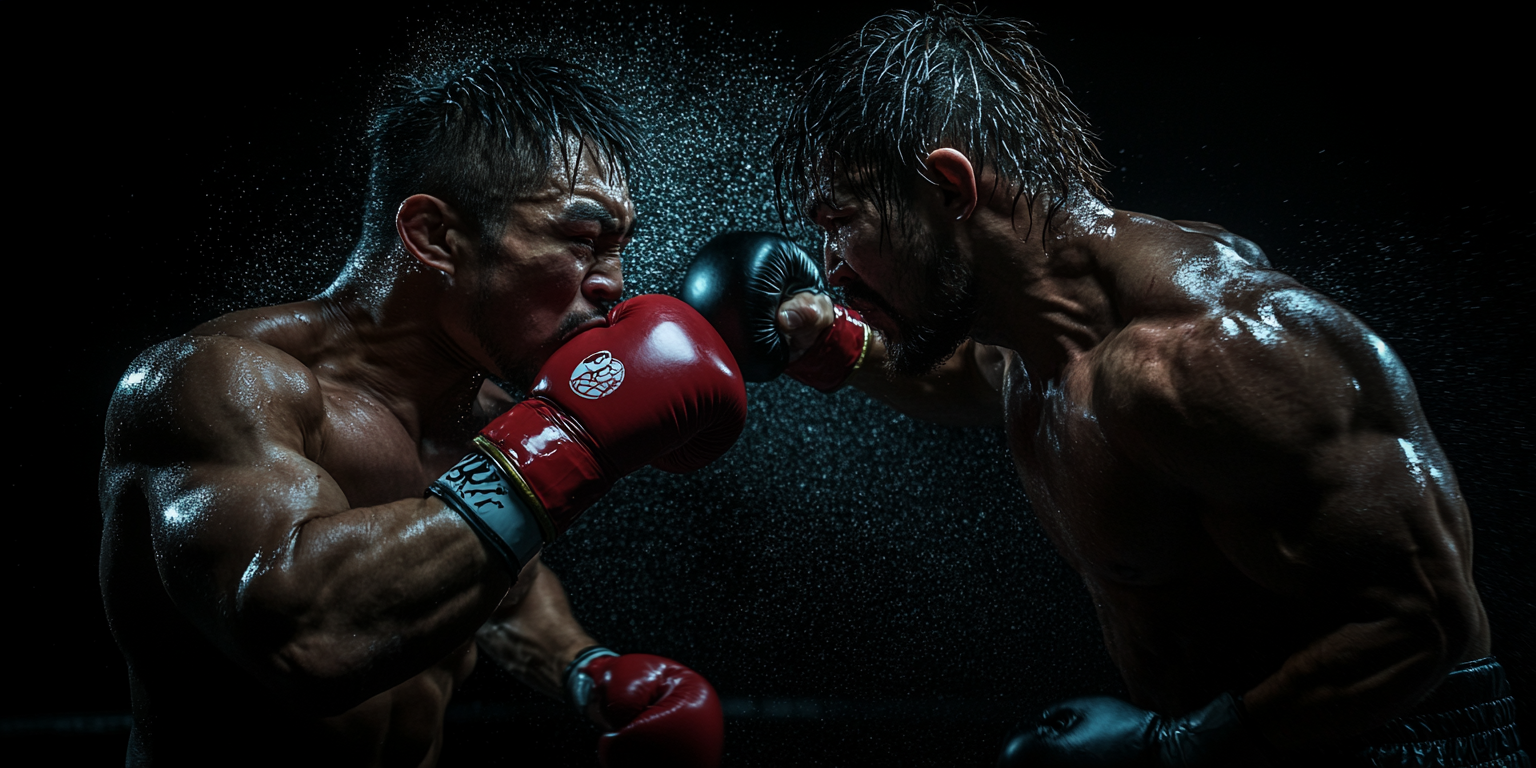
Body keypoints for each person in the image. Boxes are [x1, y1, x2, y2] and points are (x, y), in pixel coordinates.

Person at [681, 8, 1526, 766]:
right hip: (1241, 739)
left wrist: (1175, 747)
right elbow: (964, 380)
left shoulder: (1211, 355)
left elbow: (1426, 618)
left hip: (1398, 742)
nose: (829, 267)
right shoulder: (1027, 333)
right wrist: (816, 336)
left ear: (949, 188)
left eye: (841, 224)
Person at [99, 56, 745, 768]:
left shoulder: (490, 417)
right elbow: (306, 636)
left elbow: (503, 585)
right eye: (583, 242)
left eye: (620, 249)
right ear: (436, 237)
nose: (614, 287)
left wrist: (585, 670)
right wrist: (563, 445)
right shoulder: (215, 384)